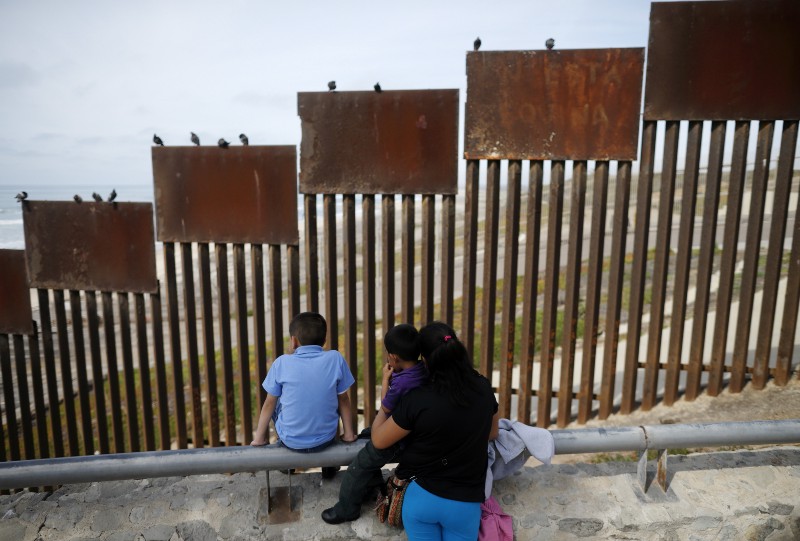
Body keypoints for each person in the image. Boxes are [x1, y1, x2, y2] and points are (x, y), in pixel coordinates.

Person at [372, 322, 499, 540]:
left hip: (422, 498)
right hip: (465, 504)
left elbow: (379, 440)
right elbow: (493, 432)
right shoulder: (483, 388)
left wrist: (384, 408)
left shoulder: (418, 400)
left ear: (427, 360)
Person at [321, 323, 427, 523]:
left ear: (394, 357)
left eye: (388, 354)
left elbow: (385, 408)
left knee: (359, 465)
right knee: (364, 435)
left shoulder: (402, 384)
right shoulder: (421, 370)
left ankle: (346, 508)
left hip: (400, 439)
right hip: (410, 431)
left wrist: (385, 380)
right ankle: (374, 483)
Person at [251, 312, 357, 478]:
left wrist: (259, 439)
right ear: (324, 340)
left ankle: (288, 461)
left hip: (291, 442)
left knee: (276, 400)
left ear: (293, 341)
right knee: (331, 396)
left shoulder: (281, 363)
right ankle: (328, 462)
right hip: (326, 440)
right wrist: (349, 434)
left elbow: (268, 405)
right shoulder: (335, 358)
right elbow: (344, 399)